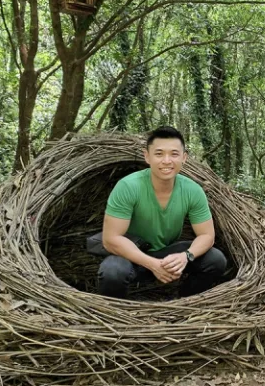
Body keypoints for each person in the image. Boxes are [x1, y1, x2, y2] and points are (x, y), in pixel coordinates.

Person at [92, 126, 234, 298]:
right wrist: (152, 264)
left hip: (167, 253)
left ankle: (183, 302)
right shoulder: (128, 186)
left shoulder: (193, 190)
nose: (167, 161)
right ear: (147, 156)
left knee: (215, 260)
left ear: (184, 158)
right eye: (159, 154)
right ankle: (121, 310)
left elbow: (207, 236)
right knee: (112, 272)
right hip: (130, 254)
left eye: (174, 154)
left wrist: (185, 256)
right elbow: (111, 239)